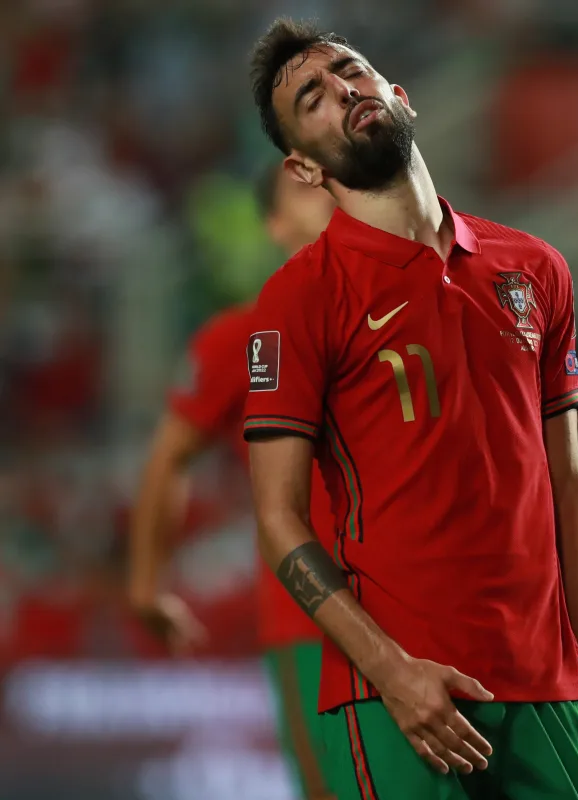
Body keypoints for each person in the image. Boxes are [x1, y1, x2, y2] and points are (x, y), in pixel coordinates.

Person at [242, 19, 578, 800]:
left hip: (551, 683)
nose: (343, 91)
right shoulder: (300, 298)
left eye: (351, 70)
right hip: (405, 691)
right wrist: (389, 672)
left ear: (397, 92)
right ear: (302, 168)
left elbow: (569, 482)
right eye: (312, 98)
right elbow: (279, 520)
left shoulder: (534, 268)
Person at [128, 164, 337, 800]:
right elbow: (169, 457)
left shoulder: (420, 314)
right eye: (303, 186)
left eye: (332, 178)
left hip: (427, 611)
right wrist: (145, 585)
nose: (326, 189)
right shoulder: (243, 338)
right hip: (315, 618)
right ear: (274, 226)